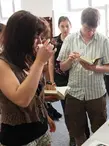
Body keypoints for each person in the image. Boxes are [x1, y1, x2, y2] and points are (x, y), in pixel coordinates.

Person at [57, 7, 109, 146]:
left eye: (94, 29)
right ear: (81, 24)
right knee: (77, 131)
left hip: (96, 93)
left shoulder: (103, 40)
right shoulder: (70, 39)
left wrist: (94, 67)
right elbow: (62, 67)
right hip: (75, 93)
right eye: (88, 29)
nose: (91, 32)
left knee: (100, 130)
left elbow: (108, 68)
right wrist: (70, 60)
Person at [0, 10, 56, 146]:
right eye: (36, 36)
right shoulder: (2, 63)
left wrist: (45, 116)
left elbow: (35, 94)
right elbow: (22, 99)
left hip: (41, 131)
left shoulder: (27, 58)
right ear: (21, 37)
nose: (39, 41)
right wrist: (40, 62)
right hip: (18, 138)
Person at [47, 16, 72, 121]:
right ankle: (71, 134)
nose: (65, 29)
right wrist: (52, 81)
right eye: (62, 26)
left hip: (73, 76)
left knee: (75, 107)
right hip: (60, 77)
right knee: (66, 107)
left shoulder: (74, 39)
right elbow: (51, 62)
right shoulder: (54, 41)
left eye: (67, 26)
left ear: (70, 26)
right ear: (58, 27)